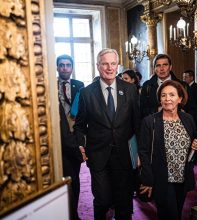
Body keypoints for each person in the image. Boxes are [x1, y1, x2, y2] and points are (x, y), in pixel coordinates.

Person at [74, 48, 140, 220]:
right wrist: (81, 144)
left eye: (113, 63)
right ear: (98, 66)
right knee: (103, 200)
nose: (109, 68)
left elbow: (137, 124)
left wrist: (139, 152)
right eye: (105, 64)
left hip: (125, 155)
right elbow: (80, 125)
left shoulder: (130, 90)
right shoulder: (87, 93)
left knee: (124, 203)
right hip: (98, 155)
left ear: (117, 66)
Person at [138, 80, 197, 220]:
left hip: (182, 177)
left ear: (180, 98)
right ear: (159, 99)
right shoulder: (150, 122)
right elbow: (143, 152)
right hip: (161, 179)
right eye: (163, 95)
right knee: (169, 215)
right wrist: (148, 180)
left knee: (177, 213)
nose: (167, 99)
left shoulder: (188, 119)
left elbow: (195, 145)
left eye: (172, 95)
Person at [56, 54, 85, 220]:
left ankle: (73, 211)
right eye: (62, 65)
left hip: (74, 138)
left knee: (75, 176)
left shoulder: (79, 85)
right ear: (58, 67)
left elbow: (82, 114)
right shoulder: (50, 85)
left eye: (68, 65)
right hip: (58, 138)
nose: (65, 68)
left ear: (72, 68)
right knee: (62, 178)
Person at [140, 54, 197, 122]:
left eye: (165, 65)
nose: (162, 69)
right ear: (154, 69)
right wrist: (157, 110)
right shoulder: (147, 86)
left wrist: (180, 114)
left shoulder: (183, 86)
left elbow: (193, 111)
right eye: (158, 65)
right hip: (154, 127)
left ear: (170, 67)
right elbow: (142, 111)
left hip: (178, 126)